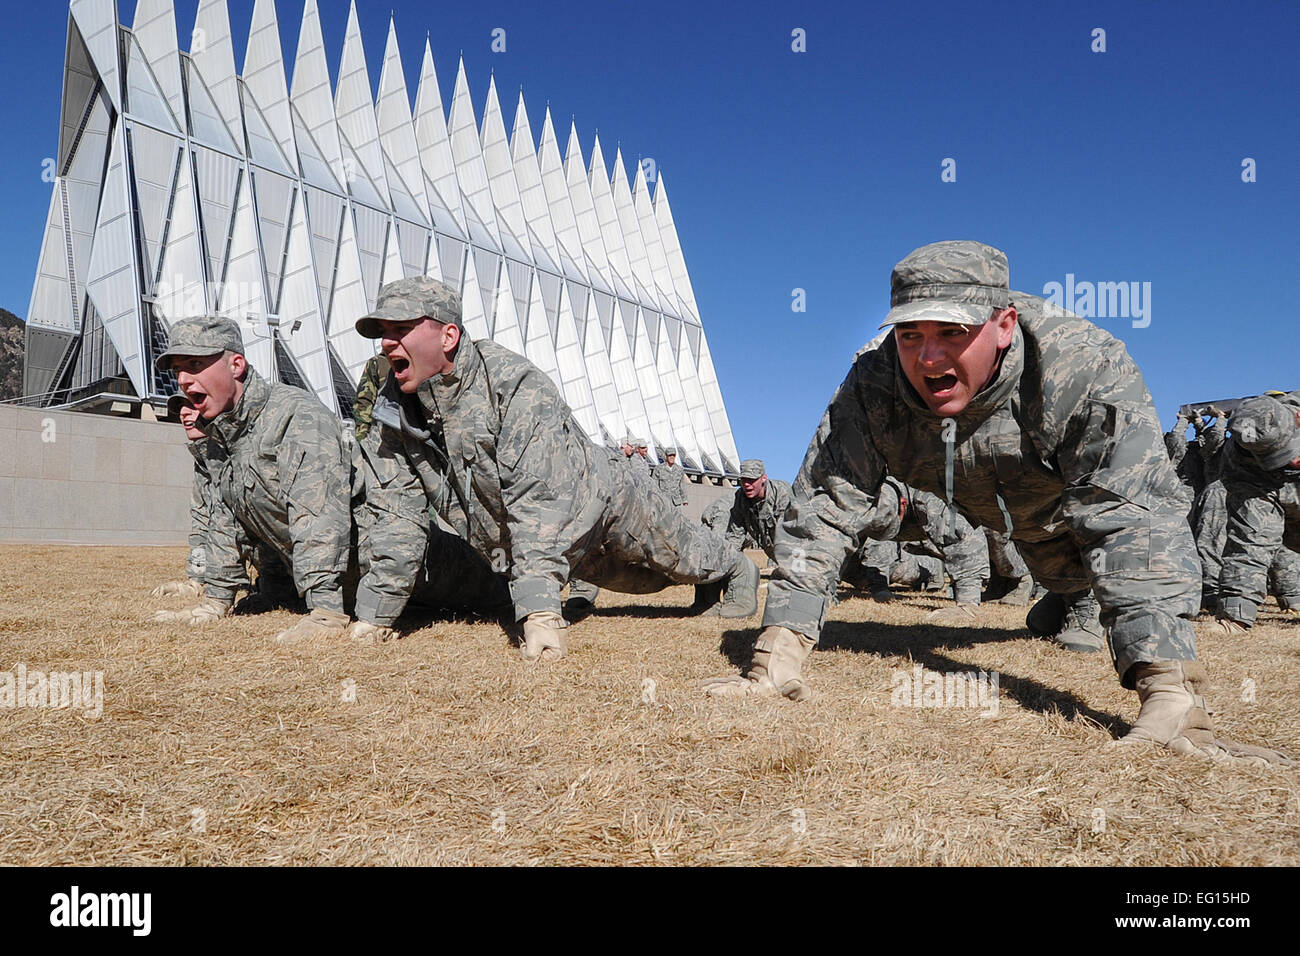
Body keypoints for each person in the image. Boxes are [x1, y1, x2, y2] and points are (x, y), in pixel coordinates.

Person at [705, 240, 1287, 765]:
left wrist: (1167, 691)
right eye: (911, 335)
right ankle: (1061, 600)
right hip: (1007, 529)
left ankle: (1081, 609)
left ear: (1004, 324)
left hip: (1071, 519)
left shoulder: (1084, 368)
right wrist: (774, 656)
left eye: (951, 333)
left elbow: (1131, 517)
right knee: (1054, 587)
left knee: (1081, 584)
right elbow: (822, 513)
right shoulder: (873, 384)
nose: (927, 358)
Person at [350, 277, 760, 659]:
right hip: (552, 539)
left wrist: (540, 615)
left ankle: (737, 569)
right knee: (640, 582)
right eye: (383, 333)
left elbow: (539, 501)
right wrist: (375, 616)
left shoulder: (513, 385)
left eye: (400, 329)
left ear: (448, 336)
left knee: (681, 556)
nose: (387, 343)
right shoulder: (394, 412)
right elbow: (394, 516)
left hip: (606, 497)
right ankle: (707, 586)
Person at [150, 317, 356, 643]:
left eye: (194, 364)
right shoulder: (222, 433)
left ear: (236, 365)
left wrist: (326, 612)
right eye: (177, 370)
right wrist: (216, 602)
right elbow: (227, 518)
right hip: (347, 581)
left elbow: (318, 514)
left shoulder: (295, 415)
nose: (184, 380)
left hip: (403, 572)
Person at [150, 392, 300, 613]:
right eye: (181, 407)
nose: (183, 413)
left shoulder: (241, 453)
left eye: (191, 405)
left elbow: (264, 524)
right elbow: (203, 519)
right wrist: (197, 580)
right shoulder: (204, 459)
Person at [1215, 395, 1300, 632]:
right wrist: (1235, 616)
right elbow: (1250, 538)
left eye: (1288, 451)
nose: (1291, 461)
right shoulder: (1240, 460)